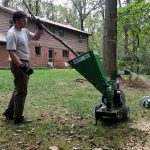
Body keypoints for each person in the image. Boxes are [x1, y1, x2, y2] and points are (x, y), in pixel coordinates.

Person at [3, 11, 43, 124]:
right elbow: (12, 53)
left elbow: (36, 37)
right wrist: (22, 65)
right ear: (16, 20)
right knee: (22, 91)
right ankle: (17, 118)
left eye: (26, 19)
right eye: (23, 20)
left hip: (24, 61)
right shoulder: (12, 33)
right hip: (18, 64)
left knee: (18, 88)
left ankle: (9, 112)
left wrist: (39, 27)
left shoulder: (24, 31)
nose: (25, 21)